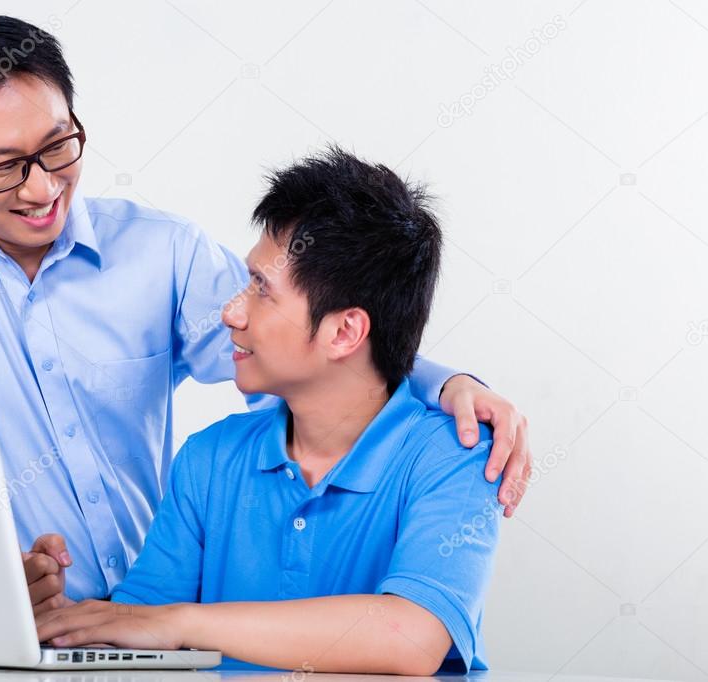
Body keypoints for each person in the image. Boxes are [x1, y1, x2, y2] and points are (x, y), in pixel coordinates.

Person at [0, 15, 529, 665]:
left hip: (148, 626)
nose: (43, 188)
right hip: (12, 630)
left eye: (58, 146)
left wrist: (446, 380)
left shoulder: (161, 252)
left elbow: (313, 339)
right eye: (4, 167)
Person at [35, 149, 502, 674]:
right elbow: (137, 624)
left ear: (344, 332)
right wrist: (53, 620)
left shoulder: (456, 457)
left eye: (261, 289)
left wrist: (184, 623)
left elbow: (410, 639)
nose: (231, 313)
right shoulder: (209, 459)